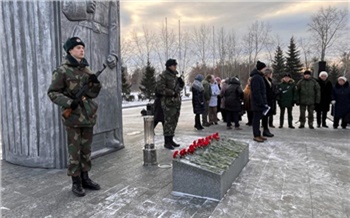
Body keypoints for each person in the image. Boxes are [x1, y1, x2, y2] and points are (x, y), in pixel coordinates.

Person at [47, 37, 101, 197]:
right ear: (70, 50)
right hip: (73, 117)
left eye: (82, 47)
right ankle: (76, 182)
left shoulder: (87, 70)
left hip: (88, 115)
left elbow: (93, 93)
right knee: (74, 151)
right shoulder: (62, 70)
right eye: (78, 47)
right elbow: (52, 93)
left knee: (86, 150)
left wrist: (95, 83)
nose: (81, 50)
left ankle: (85, 178)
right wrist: (70, 102)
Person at [156, 59, 184, 149]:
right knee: (168, 122)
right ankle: (166, 142)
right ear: (169, 66)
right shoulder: (163, 76)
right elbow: (160, 89)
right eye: (174, 65)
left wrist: (181, 85)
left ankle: (171, 139)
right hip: (168, 103)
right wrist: (172, 93)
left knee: (174, 121)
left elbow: (177, 90)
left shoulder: (175, 76)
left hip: (175, 102)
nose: (175, 66)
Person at [250, 61, 269, 142]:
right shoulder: (256, 78)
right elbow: (256, 92)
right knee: (256, 120)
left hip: (259, 102)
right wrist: (261, 102)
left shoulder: (259, 77)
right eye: (264, 68)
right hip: (257, 103)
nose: (265, 70)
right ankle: (256, 135)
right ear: (261, 69)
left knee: (258, 119)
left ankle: (258, 134)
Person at [261, 68, 275, 137]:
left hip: (270, 100)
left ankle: (266, 129)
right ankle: (265, 129)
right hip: (266, 100)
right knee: (265, 116)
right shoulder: (263, 80)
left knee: (267, 115)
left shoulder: (269, 80)